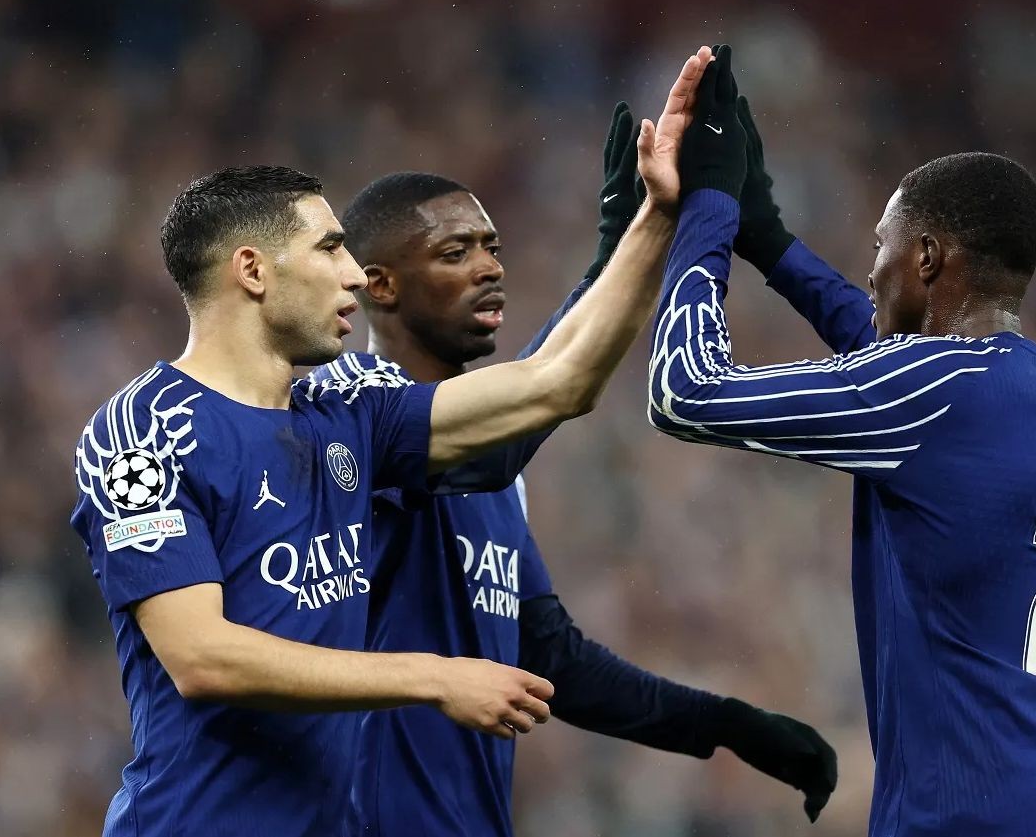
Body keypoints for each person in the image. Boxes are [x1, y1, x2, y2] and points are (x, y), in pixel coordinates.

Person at [69, 47, 713, 837]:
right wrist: (432, 675)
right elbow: (203, 658)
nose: (353, 276)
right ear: (253, 270)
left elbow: (558, 383)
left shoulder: (351, 414)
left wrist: (655, 218)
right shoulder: (142, 431)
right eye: (328, 248)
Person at [646, 45, 1036, 836]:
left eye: (881, 245)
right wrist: (768, 239)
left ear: (928, 257)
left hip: (974, 820)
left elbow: (684, 392)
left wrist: (705, 213)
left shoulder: (936, 392)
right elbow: (891, 360)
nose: (871, 269)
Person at [310, 102, 837, 836]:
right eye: (455, 252)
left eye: (491, 247)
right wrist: (633, 240)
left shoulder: (501, 479)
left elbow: (552, 657)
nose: (490, 267)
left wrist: (725, 723)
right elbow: (537, 401)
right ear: (381, 285)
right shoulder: (346, 411)